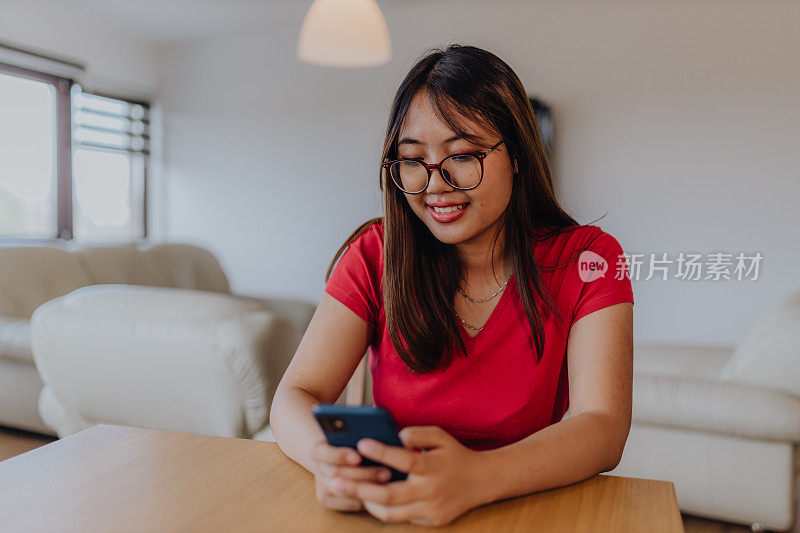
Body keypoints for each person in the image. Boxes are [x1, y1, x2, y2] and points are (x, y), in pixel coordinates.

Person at [270, 43, 634, 527]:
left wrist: (477, 477)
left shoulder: (589, 259)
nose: (434, 184)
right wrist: (329, 463)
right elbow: (295, 393)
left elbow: (603, 427)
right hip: (394, 507)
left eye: (462, 155)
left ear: (519, 154)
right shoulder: (376, 254)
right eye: (412, 160)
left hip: (526, 507)